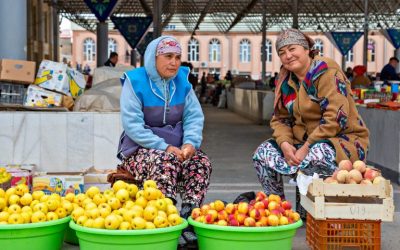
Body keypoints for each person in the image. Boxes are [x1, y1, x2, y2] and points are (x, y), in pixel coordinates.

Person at [252, 29, 369, 218]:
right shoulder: (285, 81)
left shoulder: (326, 71)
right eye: (282, 53)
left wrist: (305, 147)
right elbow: (280, 119)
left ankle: (315, 211)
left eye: (292, 49)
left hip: (341, 141)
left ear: (306, 49)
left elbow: (335, 118)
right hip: (302, 144)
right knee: (262, 154)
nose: (288, 56)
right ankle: (279, 211)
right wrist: (285, 144)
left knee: (317, 153)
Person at [116, 36, 212, 246]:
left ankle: (187, 220)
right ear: (153, 58)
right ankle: (165, 221)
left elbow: (194, 117)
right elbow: (132, 125)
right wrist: (165, 147)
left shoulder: (182, 83)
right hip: (140, 151)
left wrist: (190, 144)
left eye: (178, 57)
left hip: (177, 149)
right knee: (164, 161)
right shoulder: (135, 82)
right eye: (168, 56)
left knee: (200, 162)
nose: (174, 62)